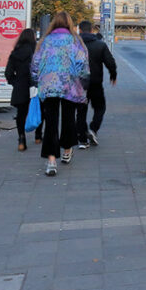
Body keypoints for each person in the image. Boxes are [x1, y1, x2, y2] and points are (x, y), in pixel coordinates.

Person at [31, 11, 89, 177]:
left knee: (50, 122)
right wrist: (83, 85)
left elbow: (35, 63)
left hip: (49, 86)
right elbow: (82, 64)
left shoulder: (45, 41)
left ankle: (51, 161)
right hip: (70, 86)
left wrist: (37, 80)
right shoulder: (76, 41)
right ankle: (67, 150)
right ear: (70, 24)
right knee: (69, 119)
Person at [75, 20, 117, 148]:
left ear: (80, 30)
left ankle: (82, 139)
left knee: (81, 111)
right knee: (100, 108)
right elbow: (110, 62)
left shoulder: (74, 45)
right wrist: (113, 75)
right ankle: (93, 129)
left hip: (79, 84)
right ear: (92, 30)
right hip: (95, 83)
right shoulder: (100, 45)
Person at [3, 28, 37, 152]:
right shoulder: (36, 52)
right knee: (38, 110)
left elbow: (8, 73)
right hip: (35, 86)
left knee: (21, 115)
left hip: (20, 87)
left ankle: (21, 139)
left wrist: (15, 82)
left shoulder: (15, 53)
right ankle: (38, 136)